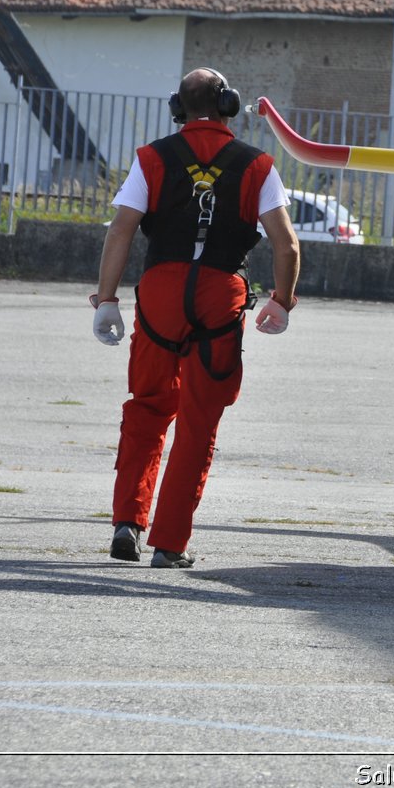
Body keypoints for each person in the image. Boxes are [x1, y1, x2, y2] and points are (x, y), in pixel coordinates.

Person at [90, 68, 301, 569]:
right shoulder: (258, 165)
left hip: (161, 291)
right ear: (229, 105)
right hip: (218, 294)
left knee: (147, 406)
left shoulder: (151, 158)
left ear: (176, 107)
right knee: (198, 421)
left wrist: (106, 299)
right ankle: (169, 543)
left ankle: (127, 522)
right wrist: (282, 300)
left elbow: (120, 232)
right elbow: (286, 243)